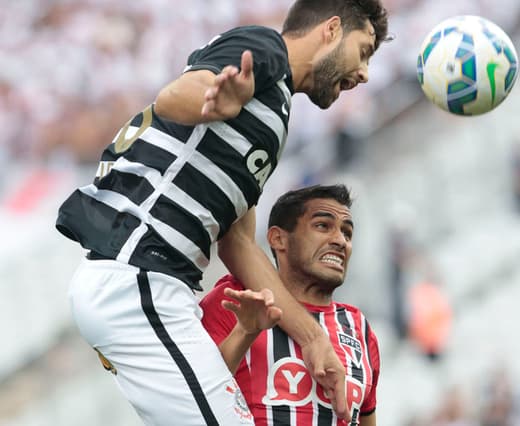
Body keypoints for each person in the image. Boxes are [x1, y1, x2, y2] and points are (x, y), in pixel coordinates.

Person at [55, 1, 390, 424]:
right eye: (363, 51)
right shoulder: (265, 49)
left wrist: (312, 338)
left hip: (152, 291)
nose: (364, 73)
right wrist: (212, 101)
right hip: (137, 281)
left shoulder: (274, 115)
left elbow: (239, 246)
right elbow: (174, 98)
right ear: (331, 29)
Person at [200, 184, 380, 425]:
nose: (340, 241)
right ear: (278, 239)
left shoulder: (359, 328)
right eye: (322, 226)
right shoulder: (236, 298)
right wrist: (245, 332)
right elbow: (191, 398)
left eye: (347, 233)